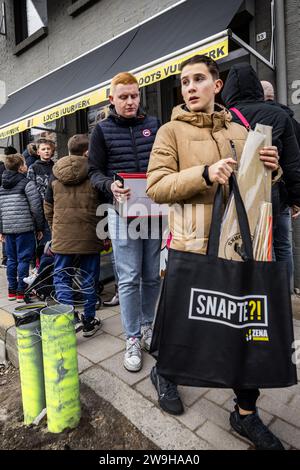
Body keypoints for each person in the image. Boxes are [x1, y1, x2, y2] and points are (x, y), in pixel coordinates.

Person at [146, 55, 283, 450]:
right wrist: (204, 173)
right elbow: (157, 187)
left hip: (237, 249)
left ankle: (245, 412)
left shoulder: (241, 131)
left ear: (216, 85)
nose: (190, 87)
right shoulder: (170, 132)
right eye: (185, 82)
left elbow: (259, 185)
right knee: (179, 324)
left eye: (199, 79)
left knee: (244, 332)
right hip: (189, 245)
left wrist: (273, 168)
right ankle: (166, 374)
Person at [88, 72, 161, 372]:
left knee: (152, 275)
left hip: (154, 211)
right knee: (129, 277)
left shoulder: (154, 125)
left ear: (139, 95)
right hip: (121, 214)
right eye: (123, 97)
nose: (130, 102)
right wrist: (110, 185)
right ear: (112, 99)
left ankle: (148, 326)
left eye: (134, 95)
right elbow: (94, 172)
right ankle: (132, 337)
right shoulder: (101, 131)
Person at [221, 64, 300, 292]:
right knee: (280, 245)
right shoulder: (279, 114)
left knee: (249, 245)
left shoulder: (226, 118)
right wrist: (296, 198)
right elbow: (293, 162)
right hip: (276, 194)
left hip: (240, 196)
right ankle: (281, 296)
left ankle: (257, 296)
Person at [44, 134, 103, 337]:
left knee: (61, 278)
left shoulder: (55, 173)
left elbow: (48, 206)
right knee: (88, 278)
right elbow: (103, 207)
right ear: (87, 151)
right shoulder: (94, 172)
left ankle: (69, 318)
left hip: (62, 238)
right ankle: (88, 321)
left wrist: (55, 228)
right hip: (89, 236)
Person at [0, 154, 44, 302]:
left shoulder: (2, 185)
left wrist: (1, 229)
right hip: (25, 228)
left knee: (12, 259)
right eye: (24, 164)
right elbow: (36, 207)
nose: (26, 166)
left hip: (8, 228)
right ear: (20, 167)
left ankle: (11, 291)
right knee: (24, 259)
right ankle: (21, 291)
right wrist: (40, 227)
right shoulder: (27, 183)